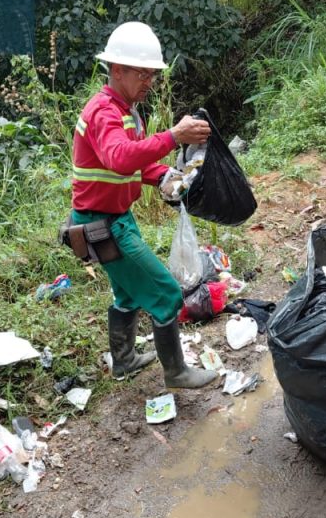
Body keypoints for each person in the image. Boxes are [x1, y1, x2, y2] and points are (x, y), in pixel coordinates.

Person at [71, 21, 217, 389]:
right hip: (102, 225)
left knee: (127, 291)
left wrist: (162, 176)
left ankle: (124, 360)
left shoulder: (125, 109)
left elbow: (131, 163)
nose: (149, 80)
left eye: (152, 74)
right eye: (142, 73)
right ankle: (177, 372)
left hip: (114, 218)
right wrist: (173, 136)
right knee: (166, 291)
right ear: (117, 70)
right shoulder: (104, 111)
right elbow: (120, 157)